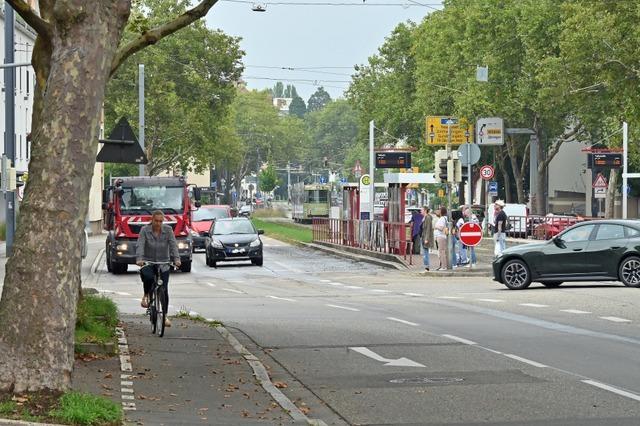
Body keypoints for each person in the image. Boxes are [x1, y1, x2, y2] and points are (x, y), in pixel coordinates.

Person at [136, 210, 181, 327]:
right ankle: (146, 295)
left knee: (164, 289)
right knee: (149, 277)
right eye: (156, 221)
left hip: (163, 262)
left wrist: (176, 259)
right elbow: (140, 245)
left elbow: (173, 245)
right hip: (148, 261)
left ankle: (165, 316)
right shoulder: (145, 230)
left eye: (161, 221)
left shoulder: (168, 230)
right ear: (152, 220)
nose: (158, 223)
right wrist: (139, 259)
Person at [420, 206, 434, 271]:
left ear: (425, 210)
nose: (421, 211)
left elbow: (428, 229)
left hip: (425, 237)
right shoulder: (425, 217)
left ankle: (427, 266)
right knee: (425, 252)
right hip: (423, 236)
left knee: (425, 252)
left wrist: (426, 238)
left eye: (422, 210)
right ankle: (426, 266)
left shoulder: (428, 218)